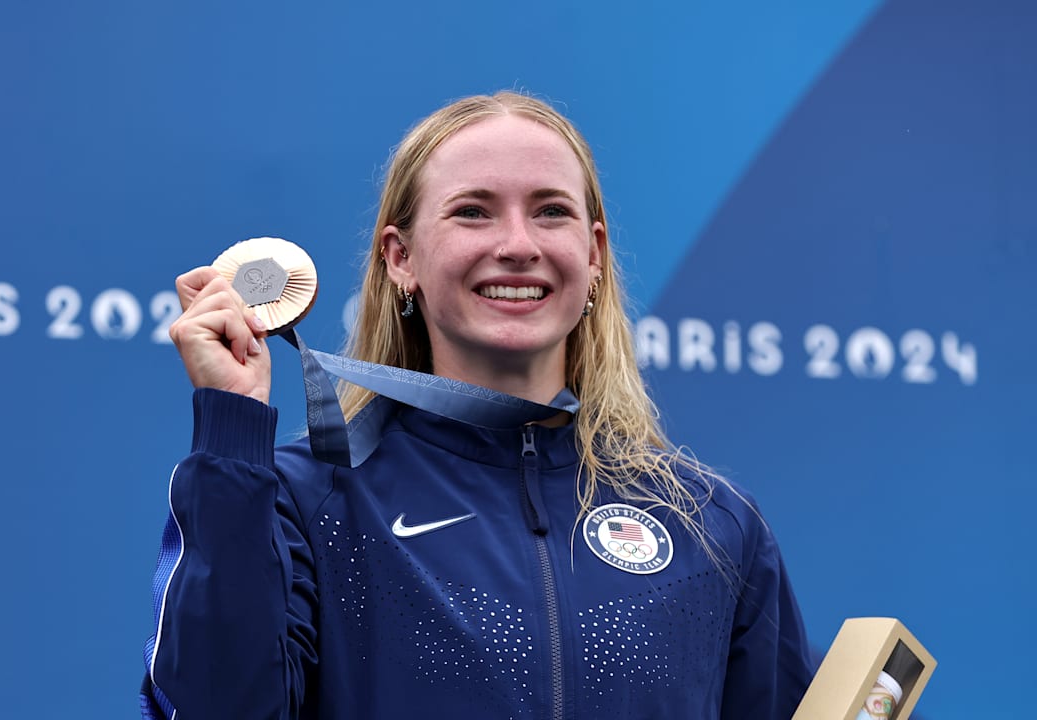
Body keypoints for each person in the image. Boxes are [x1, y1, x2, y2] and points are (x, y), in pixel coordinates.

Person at [140, 91, 813, 719]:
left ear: (595, 253)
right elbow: (216, 704)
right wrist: (231, 428)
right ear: (401, 259)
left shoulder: (710, 526)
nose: (518, 245)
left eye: (551, 211)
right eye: (473, 211)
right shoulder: (308, 500)